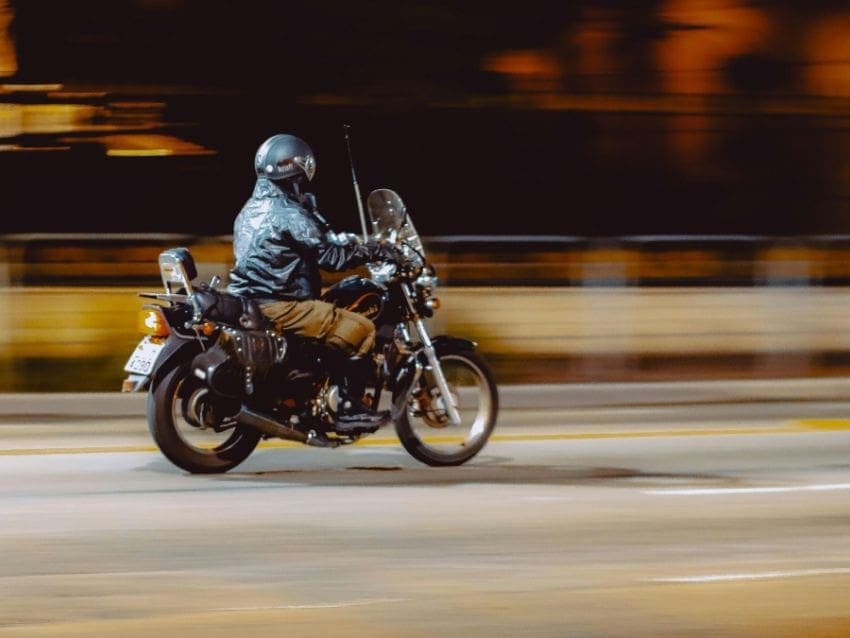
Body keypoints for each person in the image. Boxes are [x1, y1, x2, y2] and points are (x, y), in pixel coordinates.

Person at [227, 133, 402, 429]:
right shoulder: (289, 212)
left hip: (250, 301)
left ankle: (316, 389)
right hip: (281, 304)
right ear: (295, 166)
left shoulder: (250, 210)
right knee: (360, 329)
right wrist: (376, 249)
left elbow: (310, 243)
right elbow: (331, 258)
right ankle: (348, 409)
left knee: (333, 309)